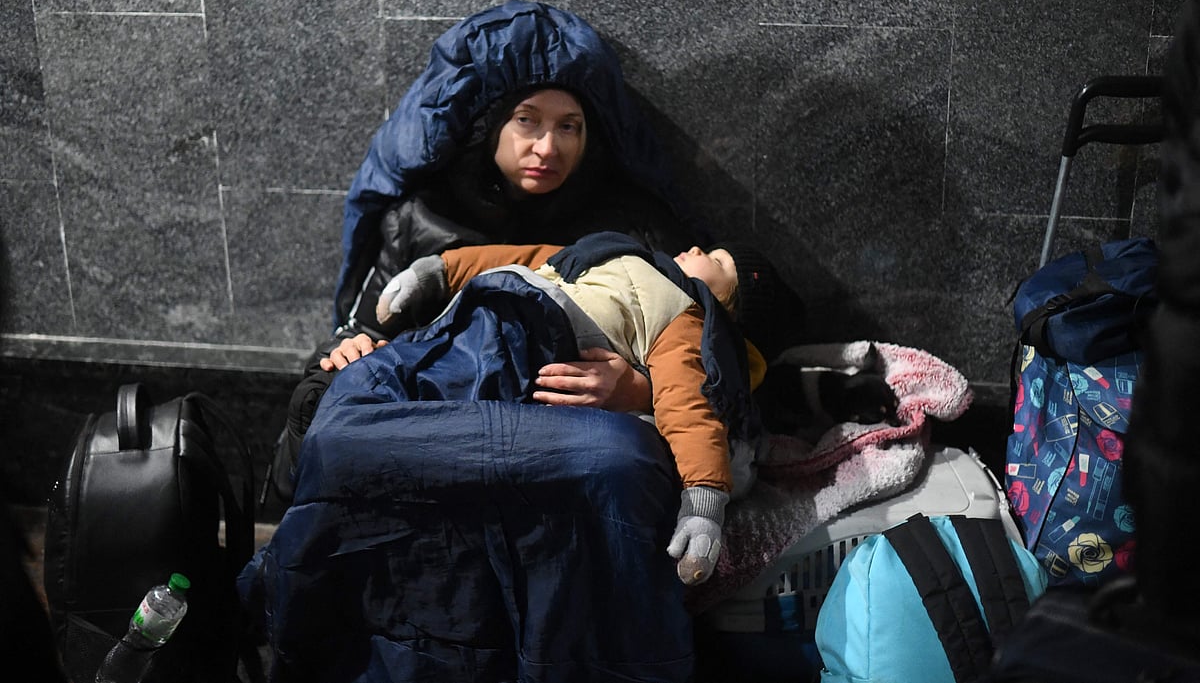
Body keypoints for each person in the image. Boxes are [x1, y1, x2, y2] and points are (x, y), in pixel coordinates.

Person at [239, 232, 803, 682]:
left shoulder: (682, 311)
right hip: (465, 329)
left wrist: (702, 496)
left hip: (528, 359)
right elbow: (525, 255)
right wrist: (436, 271)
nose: (700, 249)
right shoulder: (616, 249)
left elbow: (690, 402)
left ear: (726, 311)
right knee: (351, 426)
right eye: (529, 122)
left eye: (719, 262)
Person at [267, 1, 705, 502]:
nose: (547, 147)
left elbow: (710, 349)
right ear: (487, 125)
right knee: (319, 401)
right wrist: (347, 354)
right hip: (436, 430)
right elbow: (358, 331)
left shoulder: (629, 226)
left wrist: (639, 389)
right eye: (527, 120)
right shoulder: (423, 219)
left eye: (569, 126)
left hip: (567, 442)